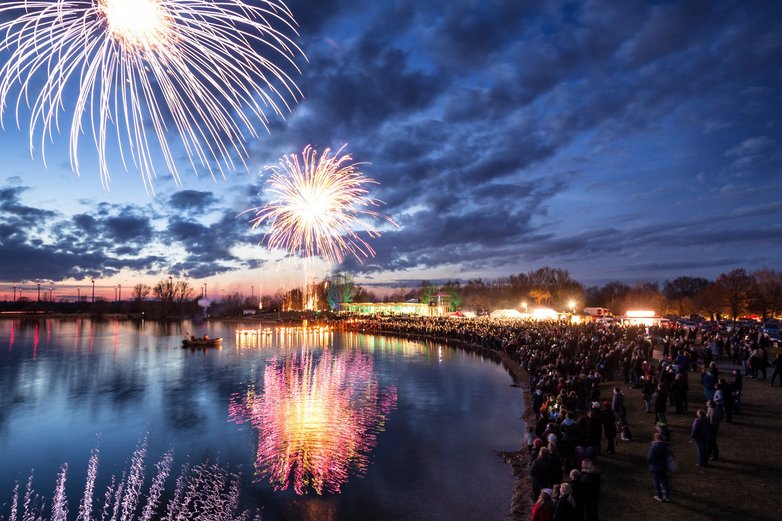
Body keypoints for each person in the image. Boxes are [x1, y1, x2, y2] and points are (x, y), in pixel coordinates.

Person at [647, 432, 672, 502]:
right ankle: (668, 496)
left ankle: (660, 496)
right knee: (665, 481)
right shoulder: (666, 446)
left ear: (656, 438)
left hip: (656, 467)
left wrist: (650, 463)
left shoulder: (654, 446)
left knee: (657, 482)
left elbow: (650, 457)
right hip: (664, 466)